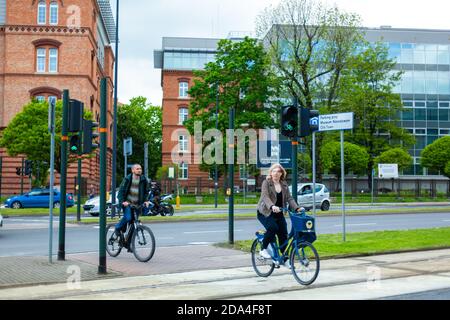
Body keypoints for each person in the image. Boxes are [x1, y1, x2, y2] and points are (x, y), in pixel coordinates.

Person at [256, 163, 303, 261]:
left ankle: (284, 258)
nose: (276, 173)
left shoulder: (284, 184)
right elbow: (265, 196)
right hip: (265, 212)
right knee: (273, 228)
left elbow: (289, 198)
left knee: (283, 234)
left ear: (282, 173)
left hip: (279, 213)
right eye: (274, 171)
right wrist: (272, 206)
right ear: (271, 173)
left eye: (278, 171)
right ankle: (263, 249)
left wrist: (297, 208)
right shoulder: (266, 182)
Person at [112, 164, 150, 240]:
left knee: (134, 224)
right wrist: (123, 201)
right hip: (127, 204)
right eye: (137, 169)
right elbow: (121, 192)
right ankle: (117, 227)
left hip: (137, 205)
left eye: (140, 169)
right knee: (128, 218)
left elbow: (146, 192)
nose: (139, 170)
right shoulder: (127, 179)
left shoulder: (143, 180)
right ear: (132, 170)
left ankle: (129, 245)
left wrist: (146, 200)